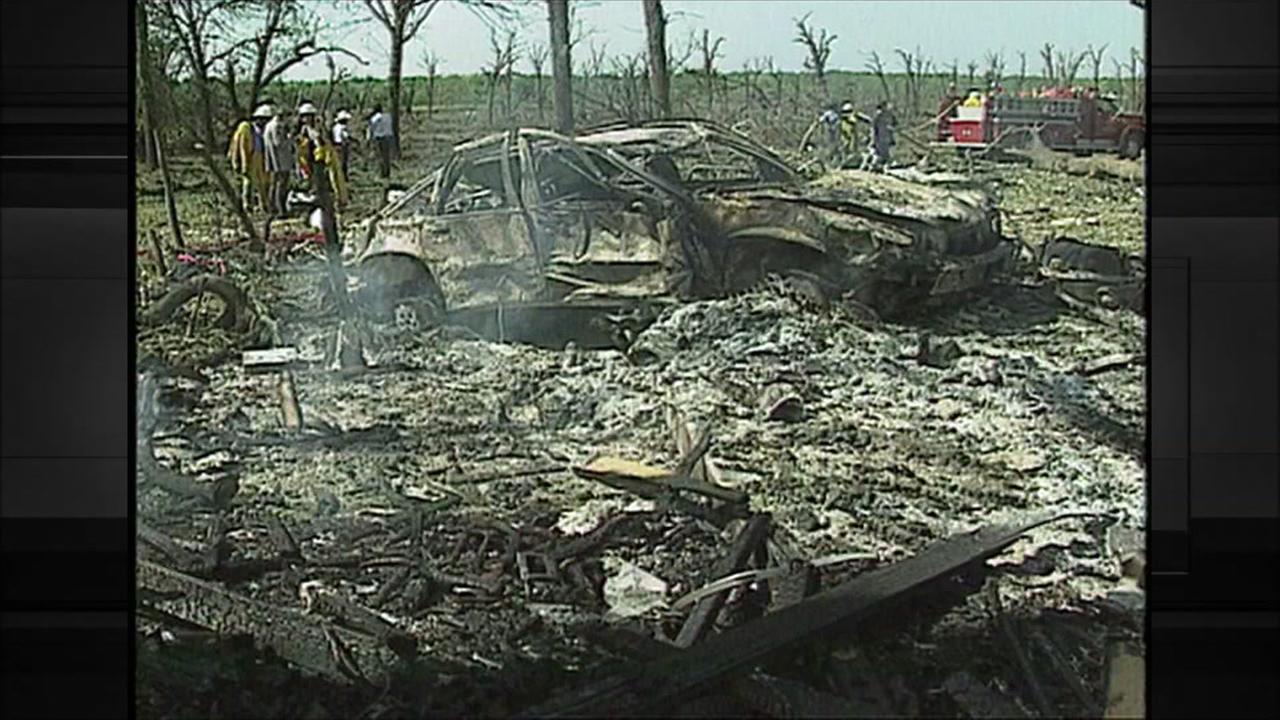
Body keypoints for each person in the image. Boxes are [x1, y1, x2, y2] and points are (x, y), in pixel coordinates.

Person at [296, 102, 349, 209]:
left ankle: (331, 201)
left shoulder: (318, 128)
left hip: (321, 159)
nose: (306, 118)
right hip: (308, 159)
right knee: (312, 181)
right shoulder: (303, 130)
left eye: (308, 116)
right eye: (304, 116)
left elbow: (323, 142)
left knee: (325, 180)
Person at [227, 104, 272, 212]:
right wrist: (242, 163)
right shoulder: (247, 128)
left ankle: (264, 204)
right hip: (250, 156)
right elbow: (242, 147)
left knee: (263, 182)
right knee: (248, 182)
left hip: (261, 156)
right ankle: (247, 204)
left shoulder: (264, 130)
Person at [263, 106, 295, 217]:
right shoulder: (276, 126)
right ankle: (280, 209)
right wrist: (290, 139)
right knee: (281, 185)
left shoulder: (269, 125)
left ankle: (272, 207)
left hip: (274, 160)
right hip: (281, 160)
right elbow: (279, 143)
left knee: (274, 184)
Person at [367, 104, 395, 179]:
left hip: (379, 138)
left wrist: (368, 140)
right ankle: (387, 173)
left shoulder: (374, 118)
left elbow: (370, 130)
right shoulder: (388, 116)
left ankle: (382, 173)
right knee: (387, 156)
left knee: (380, 156)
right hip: (388, 138)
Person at [869, 101, 896, 172]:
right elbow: (873, 129)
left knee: (888, 155)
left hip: (888, 139)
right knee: (880, 154)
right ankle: (875, 167)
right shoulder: (878, 117)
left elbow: (896, 126)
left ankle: (887, 167)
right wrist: (873, 140)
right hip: (880, 139)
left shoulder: (891, 116)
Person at [332, 110, 354, 181]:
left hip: (335, 145)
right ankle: (342, 178)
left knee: (338, 162)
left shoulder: (334, 127)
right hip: (342, 146)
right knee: (343, 162)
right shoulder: (343, 127)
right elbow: (346, 136)